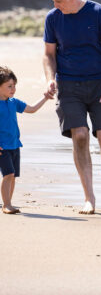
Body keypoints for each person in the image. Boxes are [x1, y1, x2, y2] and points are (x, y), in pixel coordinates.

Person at [43, 0, 101, 215]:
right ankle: (89, 198)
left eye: (58, 1)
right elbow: (48, 54)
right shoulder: (53, 18)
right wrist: (50, 78)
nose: (55, 5)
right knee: (79, 136)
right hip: (68, 85)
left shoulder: (99, 13)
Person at [0, 66, 52, 214]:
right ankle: (6, 205)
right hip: (2, 147)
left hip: (15, 145)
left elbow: (32, 109)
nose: (13, 89)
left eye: (14, 85)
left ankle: (8, 203)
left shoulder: (13, 102)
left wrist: (46, 97)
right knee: (8, 174)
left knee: (13, 176)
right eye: (9, 86)